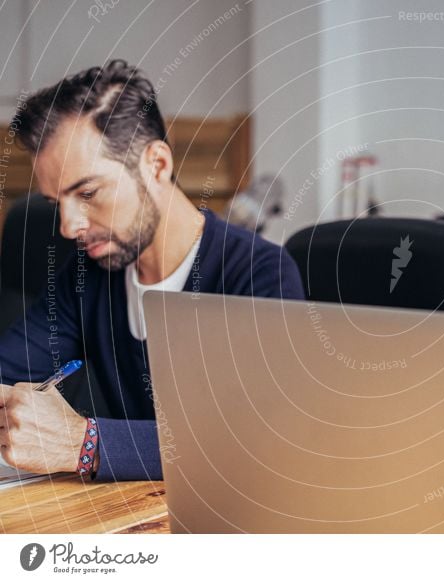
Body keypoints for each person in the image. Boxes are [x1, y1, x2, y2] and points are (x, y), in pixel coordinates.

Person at [0, 60, 304, 481]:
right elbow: (7, 370)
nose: (70, 227)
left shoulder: (258, 275)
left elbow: (257, 442)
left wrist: (85, 443)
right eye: (57, 205)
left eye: (87, 193)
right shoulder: (87, 273)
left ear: (157, 165)